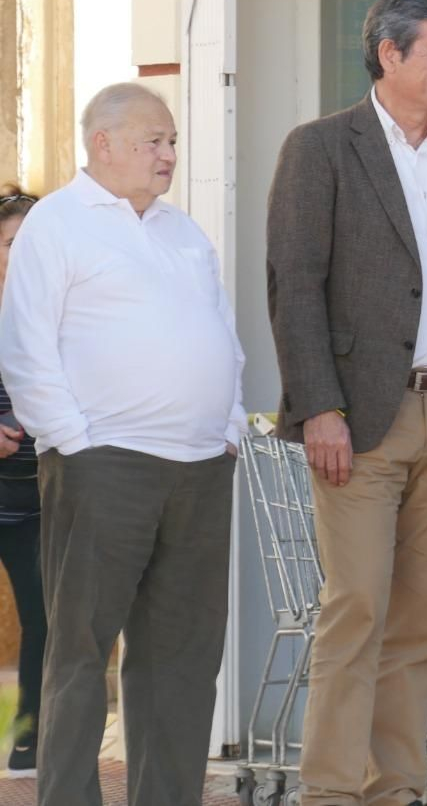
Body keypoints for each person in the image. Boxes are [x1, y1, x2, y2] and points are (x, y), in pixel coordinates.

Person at [266, 0, 427, 806]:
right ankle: (331, 794)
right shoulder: (321, 149)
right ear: (391, 55)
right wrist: (321, 407)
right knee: (356, 614)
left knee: (420, 624)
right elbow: (295, 286)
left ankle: (394, 793)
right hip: (362, 417)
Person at [0, 83, 246, 806]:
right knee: (80, 650)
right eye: (155, 141)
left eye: (172, 141)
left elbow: (223, 338)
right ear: (102, 144)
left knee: (183, 656)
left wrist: (227, 424)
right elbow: (27, 347)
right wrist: (73, 440)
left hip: (201, 466)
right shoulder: (57, 223)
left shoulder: (182, 231)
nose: (170, 154)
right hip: (103, 464)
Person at [0, 186, 45, 780]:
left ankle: (27, 742)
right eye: (12, 242)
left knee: (45, 617)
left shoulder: (64, 311)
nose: (23, 253)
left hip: (36, 495)